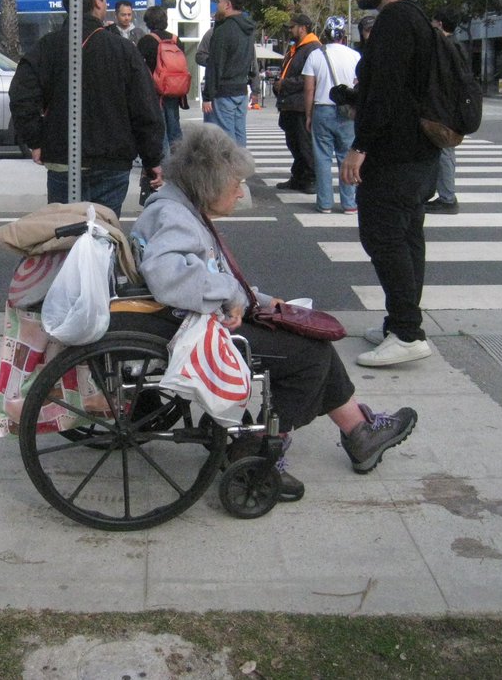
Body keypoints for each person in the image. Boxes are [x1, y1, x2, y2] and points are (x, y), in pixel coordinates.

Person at [121, 123, 417, 498]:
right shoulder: (175, 216)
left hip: (193, 319)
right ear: (210, 185)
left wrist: (258, 300)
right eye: (235, 186)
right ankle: (253, 450)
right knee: (310, 356)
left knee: (309, 334)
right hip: (190, 330)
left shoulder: (179, 207)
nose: (240, 192)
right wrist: (233, 294)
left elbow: (209, 275)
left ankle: (359, 431)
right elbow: (167, 275)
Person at [338, 0, 439, 368]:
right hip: (418, 153)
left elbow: (386, 94)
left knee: (384, 238)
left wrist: (360, 146)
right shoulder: (418, 19)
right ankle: (401, 322)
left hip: (394, 155)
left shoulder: (395, 22)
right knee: (407, 238)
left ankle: (408, 332)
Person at [9, 0, 165, 220]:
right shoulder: (123, 50)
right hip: (111, 161)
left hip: (62, 158)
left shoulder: (46, 47)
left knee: (65, 237)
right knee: (103, 237)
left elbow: (21, 96)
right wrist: (152, 159)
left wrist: (35, 140)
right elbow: (145, 109)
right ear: (96, 0)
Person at [304, 15, 359, 215]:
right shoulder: (354, 56)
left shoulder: (315, 55)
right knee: (347, 156)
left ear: (325, 34)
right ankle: (349, 203)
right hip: (347, 111)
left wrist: (309, 115)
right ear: (343, 35)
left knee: (322, 158)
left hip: (322, 109)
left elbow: (309, 89)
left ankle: (325, 203)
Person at [273, 13, 321, 194]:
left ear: (302, 28)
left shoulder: (312, 48)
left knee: (303, 143)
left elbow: (308, 78)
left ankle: (310, 178)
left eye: (292, 27)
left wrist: (284, 84)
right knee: (294, 143)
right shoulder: (298, 48)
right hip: (290, 103)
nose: (290, 30)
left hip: (300, 104)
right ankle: (298, 176)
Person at [202, 0, 256, 147]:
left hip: (224, 91)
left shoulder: (224, 30)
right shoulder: (248, 30)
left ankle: (231, 171)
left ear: (227, 5)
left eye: (219, 2)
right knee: (239, 136)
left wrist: (207, 96)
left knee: (226, 140)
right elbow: (251, 60)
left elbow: (215, 64)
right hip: (241, 89)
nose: (217, 5)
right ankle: (242, 170)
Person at [425, 10, 462, 215]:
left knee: (445, 152)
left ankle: (447, 198)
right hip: (449, 108)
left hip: (445, 110)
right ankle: (444, 195)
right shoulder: (454, 45)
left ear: (439, 24)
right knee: (443, 152)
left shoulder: (446, 47)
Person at [136, 4, 187, 150]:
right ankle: (180, 163)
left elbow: (139, 66)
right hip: (175, 89)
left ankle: (164, 165)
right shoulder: (177, 40)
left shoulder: (146, 40)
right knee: (175, 128)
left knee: (160, 129)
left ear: (148, 22)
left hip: (156, 91)